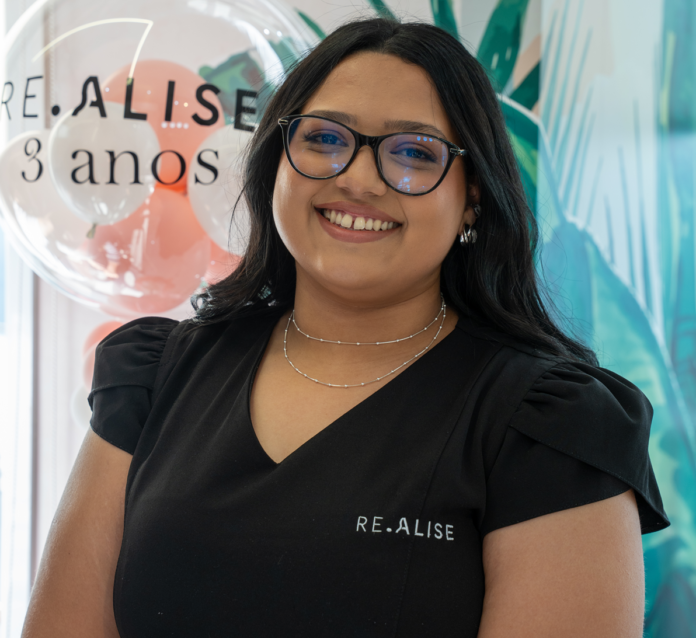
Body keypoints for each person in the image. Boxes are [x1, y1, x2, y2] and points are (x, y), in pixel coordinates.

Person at [22, 17, 670, 638]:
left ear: (472, 196)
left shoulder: (551, 426)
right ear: (276, 162)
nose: (358, 179)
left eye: (413, 152)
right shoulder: (156, 374)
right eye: (325, 139)